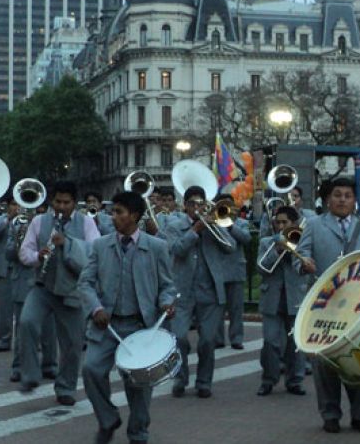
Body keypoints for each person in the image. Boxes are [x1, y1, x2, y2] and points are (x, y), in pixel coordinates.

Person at [79, 191, 177, 444]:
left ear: (134, 215)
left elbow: (167, 285)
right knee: (91, 369)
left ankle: (138, 433)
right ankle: (108, 418)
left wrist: (167, 302)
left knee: (140, 387)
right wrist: (95, 308)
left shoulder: (157, 247)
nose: (113, 217)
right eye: (112, 212)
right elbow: (85, 283)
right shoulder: (100, 245)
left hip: (140, 326)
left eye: (119, 212)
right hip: (106, 326)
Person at [294, 177, 360, 434]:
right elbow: (299, 257)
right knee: (325, 362)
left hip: (359, 307)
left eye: (348, 195)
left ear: (355, 201)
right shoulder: (313, 225)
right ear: (327, 199)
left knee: (359, 359)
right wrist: (303, 263)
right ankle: (330, 414)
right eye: (337, 195)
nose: (342, 199)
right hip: (325, 305)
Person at [18, 180, 100, 405]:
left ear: (75, 203)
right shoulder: (39, 221)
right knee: (27, 323)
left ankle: (66, 388)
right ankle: (30, 375)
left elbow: (94, 254)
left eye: (66, 202)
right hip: (43, 286)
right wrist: (38, 256)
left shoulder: (86, 223)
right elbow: (24, 252)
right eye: (57, 202)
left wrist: (68, 243)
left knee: (73, 344)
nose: (61, 207)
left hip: (72, 291)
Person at [164, 185, 237, 399]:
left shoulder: (215, 224)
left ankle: (204, 382)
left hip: (210, 291)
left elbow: (231, 247)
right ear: (185, 206)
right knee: (179, 338)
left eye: (201, 203)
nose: (197, 207)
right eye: (193, 203)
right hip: (182, 291)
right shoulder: (174, 226)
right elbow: (176, 249)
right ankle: (180, 377)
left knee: (207, 341)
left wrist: (214, 229)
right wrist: (195, 231)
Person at [256, 205, 308, 397]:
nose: (280, 226)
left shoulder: (303, 241)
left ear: (293, 223)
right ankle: (268, 379)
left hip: (295, 296)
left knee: (295, 342)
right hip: (272, 297)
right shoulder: (266, 242)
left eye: (284, 222)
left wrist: (296, 251)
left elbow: (305, 267)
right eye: (277, 222)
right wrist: (278, 249)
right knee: (270, 341)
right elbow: (262, 268)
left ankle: (295, 380)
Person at [7, 203, 58, 383]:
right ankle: (19, 366)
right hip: (23, 280)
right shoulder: (17, 224)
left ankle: (50, 365)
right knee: (23, 326)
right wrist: (21, 241)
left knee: (49, 327)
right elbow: (8, 253)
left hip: (47, 281)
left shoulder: (52, 225)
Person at [212, 193, 251, 349]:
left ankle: (236, 339)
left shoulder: (240, 222)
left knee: (236, 308)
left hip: (235, 269)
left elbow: (246, 239)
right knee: (217, 308)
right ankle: (218, 339)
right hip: (217, 270)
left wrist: (230, 225)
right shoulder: (212, 223)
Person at [0, 198, 19, 352]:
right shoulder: (1, 219)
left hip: (21, 268)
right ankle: (4, 340)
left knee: (23, 309)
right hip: (4, 268)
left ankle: (25, 340)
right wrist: (8, 219)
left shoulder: (28, 221)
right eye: (14, 204)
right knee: (4, 308)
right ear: (8, 206)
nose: (17, 207)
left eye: (19, 204)